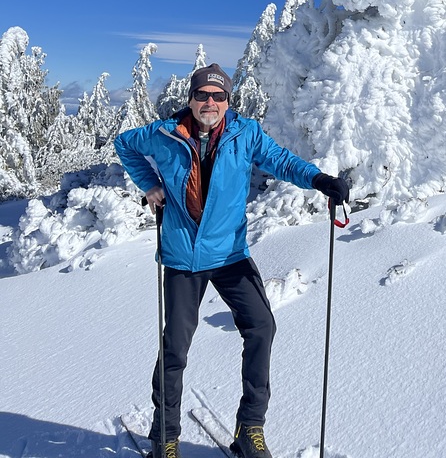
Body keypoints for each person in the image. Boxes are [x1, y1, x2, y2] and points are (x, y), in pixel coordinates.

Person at [115, 63, 349, 458]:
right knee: (175, 348)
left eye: (219, 96)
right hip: (183, 258)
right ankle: (164, 438)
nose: (211, 102)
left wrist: (319, 179)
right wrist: (150, 185)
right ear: (190, 99)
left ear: (228, 101)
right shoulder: (161, 134)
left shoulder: (246, 134)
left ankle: (250, 429)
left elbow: (283, 161)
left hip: (229, 254)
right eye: (203, 95)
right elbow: (124, 143)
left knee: (262, 327)